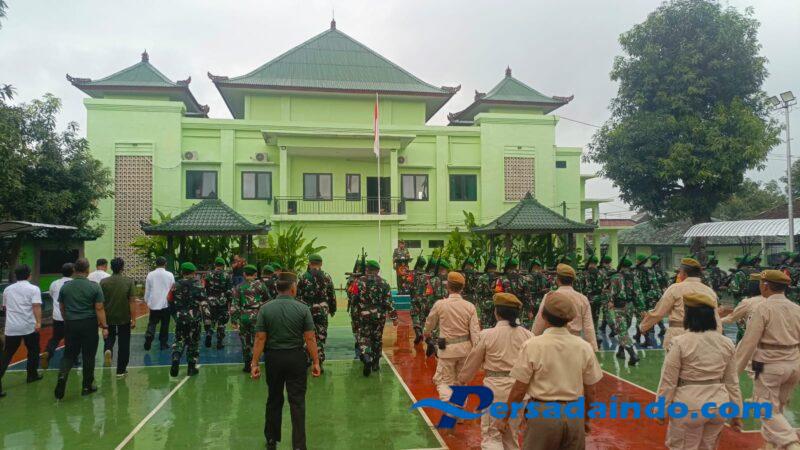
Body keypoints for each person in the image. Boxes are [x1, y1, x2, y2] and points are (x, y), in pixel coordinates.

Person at [499, 290, 603, 450]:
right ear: (570, 319)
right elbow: (591, 391)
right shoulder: (584, 347)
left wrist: (505, 417)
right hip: (574, 413)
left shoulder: (532, 345)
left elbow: (519, 390)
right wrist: (586, 419)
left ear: (544, 316)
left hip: (543, 414)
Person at [656, 291, 743, 449]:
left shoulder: (680, 342)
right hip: (719, 406)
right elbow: (732, 382)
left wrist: (661, 409)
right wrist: (737, 413)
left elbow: (668, 381)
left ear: (689, 316)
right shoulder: (726, 343)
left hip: (689, 406)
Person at [250, 271, 321, 450]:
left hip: (274, 358)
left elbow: (260, 338)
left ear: (276, 288)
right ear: (293, 288)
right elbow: (310, 338)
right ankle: (299, 445)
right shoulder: (302, 308)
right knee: (297, 402)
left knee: (274, 398)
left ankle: (271, 439)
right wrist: (316, 361)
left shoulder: (265, 308)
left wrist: (254, 363)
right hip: (296, 358)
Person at [734, 270, 800, 449]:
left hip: (770, 365)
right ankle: (770, 446)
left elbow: (749, 343)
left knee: (764, 408)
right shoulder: (797, 308)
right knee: (777, 409)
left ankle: (791, 443)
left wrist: (734, 372)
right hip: (793, 365)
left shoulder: (763, 308)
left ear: (765, 286)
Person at [458, 293, 533, 449]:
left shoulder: (487, 335)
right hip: (520, 392)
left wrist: (463, 379)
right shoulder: (528, 335)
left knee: (492, 436)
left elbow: (472, 362)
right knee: (511, 436)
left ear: (497, 312)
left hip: (495, 390)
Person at [639, 258, 722, 352]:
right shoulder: (709, 291)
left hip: (678, 334)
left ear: (684, 274)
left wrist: (643, 326)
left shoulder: (675, 289)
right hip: (702, 336)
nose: (678, 275)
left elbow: (658, 312)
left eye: (679, 272)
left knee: (673, 361)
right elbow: (716, 319)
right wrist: (717, 338)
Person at [55, 258, 109, 399]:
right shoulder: (94, 287)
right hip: (89, 323)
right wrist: (104, 326)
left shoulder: (66, 287)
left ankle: (62, 376)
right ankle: (87, 386)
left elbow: (62, 307)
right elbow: (99, 308)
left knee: (69, 354)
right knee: (88, 355)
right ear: (87, 270)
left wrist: (67, 319)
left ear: (74, 270)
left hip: (71, 323)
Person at [424, 271, 481, 405]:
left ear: (448, 286)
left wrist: (426, 332)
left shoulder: (440, 304)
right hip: (465, 351)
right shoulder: (470, 306)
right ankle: (459, 408)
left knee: (445, 381)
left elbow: (430, 322)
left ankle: (450, 408)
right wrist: (477, 352)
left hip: (447, 350)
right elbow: (475, 332)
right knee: (461, 382)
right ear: (462, 288)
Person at [0, 265, 43, 397]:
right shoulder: (34, 289)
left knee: (7, 354)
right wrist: (38, 322)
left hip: (12, 327)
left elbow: (5, 307)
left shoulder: (8, 289)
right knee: (33, 350)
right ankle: (32, 375)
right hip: (29, 326)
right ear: (29, 275)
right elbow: (36, 306)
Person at [533, 264, 598, 351]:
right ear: (573, 281)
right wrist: (594, 349)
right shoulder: (583, 299)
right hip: (575, 345)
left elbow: (539, 322)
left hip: (552, 345)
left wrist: (532, 341)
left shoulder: (549, 297)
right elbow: (588, 328)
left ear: (557, 280)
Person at [353, 260, 398, 376]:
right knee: (377, 338)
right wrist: (394, 317)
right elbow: (389, 302)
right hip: (379, 316)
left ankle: (367, 357)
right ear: (377, 270)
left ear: (367, 269)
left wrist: (355, 316)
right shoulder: (384, 283)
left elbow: (354, 299)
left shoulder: (358, 282)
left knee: (364, 337)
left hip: (363, 315)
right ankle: (376, 363)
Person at [296, 254, 336, 373]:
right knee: (320, 336)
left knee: (307, 335)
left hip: (307, 311)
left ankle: (307, 359)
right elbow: (331, 295)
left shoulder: (303, 277)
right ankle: (319, 361)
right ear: (321, 263)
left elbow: (297, 296)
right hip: (322, 311)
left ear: (309, 263)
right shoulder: (327, 277)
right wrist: (332, 309)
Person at [100, 257, 137, 377]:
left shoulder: (103, 282)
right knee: (124, 343)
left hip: (108, 316)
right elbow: (132, 301)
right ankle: (121, 370)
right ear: (122, 268)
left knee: (109, 336)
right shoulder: (128, 281)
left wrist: (101, 321)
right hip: (124, 316)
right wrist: (133, 319)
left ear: (111, 267)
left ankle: (108, 348)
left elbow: (100, 302)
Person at [231, 264, 270, 373]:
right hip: (258, 316)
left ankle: (247, 365)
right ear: (255, 274)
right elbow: (268, 300)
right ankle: (257, 363)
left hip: (244, 316)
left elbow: (235, 305)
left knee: (245, 340)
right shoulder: (261, 285)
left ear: (244, 274)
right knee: (259, 339)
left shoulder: (239, 287)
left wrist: (234, 320)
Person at [170, 262, 206, 377]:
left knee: (179, 339)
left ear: (182, 272)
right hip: (194, 318)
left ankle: (176, 357)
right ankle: (191, 368)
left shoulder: (175, 285)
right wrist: (206, 320)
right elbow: (204, 302)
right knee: (193, 342)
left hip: (180, 317)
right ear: (194, 272)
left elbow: (169, 300)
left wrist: (175, 315)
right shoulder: (198, 285)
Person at [607, 256, 644, 365]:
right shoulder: (635, 277)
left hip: (620, 307)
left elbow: (612, 292)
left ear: (621, 266)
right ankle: (621, 351)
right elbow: (639, 294)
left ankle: (633, 355)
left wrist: (610, 301)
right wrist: (641, 308)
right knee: (624, 328)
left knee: (622, 331)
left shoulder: (615, 277)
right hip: (630, 306)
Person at [43, 263, 74, 370]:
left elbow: (51, 295)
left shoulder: (54, 283)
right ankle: (70, 359)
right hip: (70, 316)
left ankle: (48, 352)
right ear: (73, 272)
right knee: (71, 339)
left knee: (55, 338)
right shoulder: (74, 283)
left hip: (57, 316)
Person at [144, 256, 174, 351]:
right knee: (165, 324)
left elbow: (148, 289)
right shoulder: (170, 275)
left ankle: (149, 335)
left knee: (152, 322)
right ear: (165, 264)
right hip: (166, 303)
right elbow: (172, 289)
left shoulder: (150, 274)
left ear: (156, 264)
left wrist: (147, 300)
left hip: (154, 303)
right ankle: (163, 344)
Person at [202, 257, 233, 349]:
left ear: (215, 265)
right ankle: (220, 342)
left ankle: (209, 332)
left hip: (210, 300)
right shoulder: (227, 275)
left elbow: (204, 288)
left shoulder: (208, 274)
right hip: (222, 301)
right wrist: (230, 302)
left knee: (211, 318)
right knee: (221, 321)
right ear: (223, 265)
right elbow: (229, 291)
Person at [477, 258, 501, 329]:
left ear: (487, 268)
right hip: (497, 304)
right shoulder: (499, 278)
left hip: (485, 303)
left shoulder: (482, 278)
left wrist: (480, 304)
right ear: (495, 268)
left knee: (485, 325)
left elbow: (478, 292)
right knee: (496, 324)